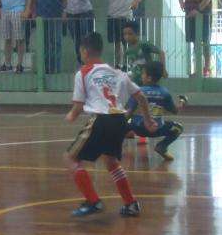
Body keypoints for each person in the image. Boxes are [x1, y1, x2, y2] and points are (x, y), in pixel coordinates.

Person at [65, 32, 156, 218]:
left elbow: (78, 107)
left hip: (101, 119)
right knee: (111, 162)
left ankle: (93, 201)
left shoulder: (83, 72)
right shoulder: (118, 73)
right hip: (119, 120)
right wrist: (148, 119)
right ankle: (131, 204)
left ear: (83, 51)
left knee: (71, 159)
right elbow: (141, 97)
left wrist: (71, 116)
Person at [127, 61, 186, 161]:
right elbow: (175, 111)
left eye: (143, 74)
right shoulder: (164, 92)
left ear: (149, 78)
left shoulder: (138, 92)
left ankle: (109, 148)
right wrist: (182, 102)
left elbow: (129, 112)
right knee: (178, 128)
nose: (141, 76)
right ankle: (162, 146)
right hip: (157, 129)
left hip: (138, 128)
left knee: (121, 122)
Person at [99, 0, 145, 69]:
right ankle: (118, 65)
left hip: (125, 15)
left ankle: (129, 64)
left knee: (127, 42)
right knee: (116, 43)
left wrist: (136, 1)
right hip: (112, 15)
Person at [53, 0, 94, 64]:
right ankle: (80, 62)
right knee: (77, 41)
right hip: (72, 14)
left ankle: (89, 63)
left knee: (86, 40)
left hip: (85, 14)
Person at [32, 0, 64, 73]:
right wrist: (34, 11)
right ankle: (45, 71)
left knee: (56, 43)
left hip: (56, 14)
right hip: (41, 16)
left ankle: (56, 70)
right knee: (44, 44)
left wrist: (64, 11)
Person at [122, 20, 166, 86]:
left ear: (137, 33)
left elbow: (161, 52)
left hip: (148, 82)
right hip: (136, 84)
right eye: (125, 34)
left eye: (130, 34)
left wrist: (163, 70)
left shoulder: (144, 45)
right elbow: (132, 68)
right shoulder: (127, 51)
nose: (127, 37)